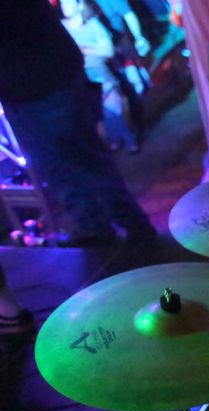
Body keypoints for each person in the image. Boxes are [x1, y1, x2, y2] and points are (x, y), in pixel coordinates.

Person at [0, 0, 156, 247]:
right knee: (76, 162)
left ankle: (122, 229)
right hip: (45, 82)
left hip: (39, 86)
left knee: (76, 163)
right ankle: (109, 227)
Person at [59, 0, 140, 154]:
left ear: (79, 5)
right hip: (80, 79)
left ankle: (128, 140)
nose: (65, 7)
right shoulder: (62, 28)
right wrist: (93, 49)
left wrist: (84, 49)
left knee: (114, 110)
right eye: (63, 3)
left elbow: (108, 51)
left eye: (68, 2)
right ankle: (114, 140)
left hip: (102, 76)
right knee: (99, 115)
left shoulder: (92, 24)